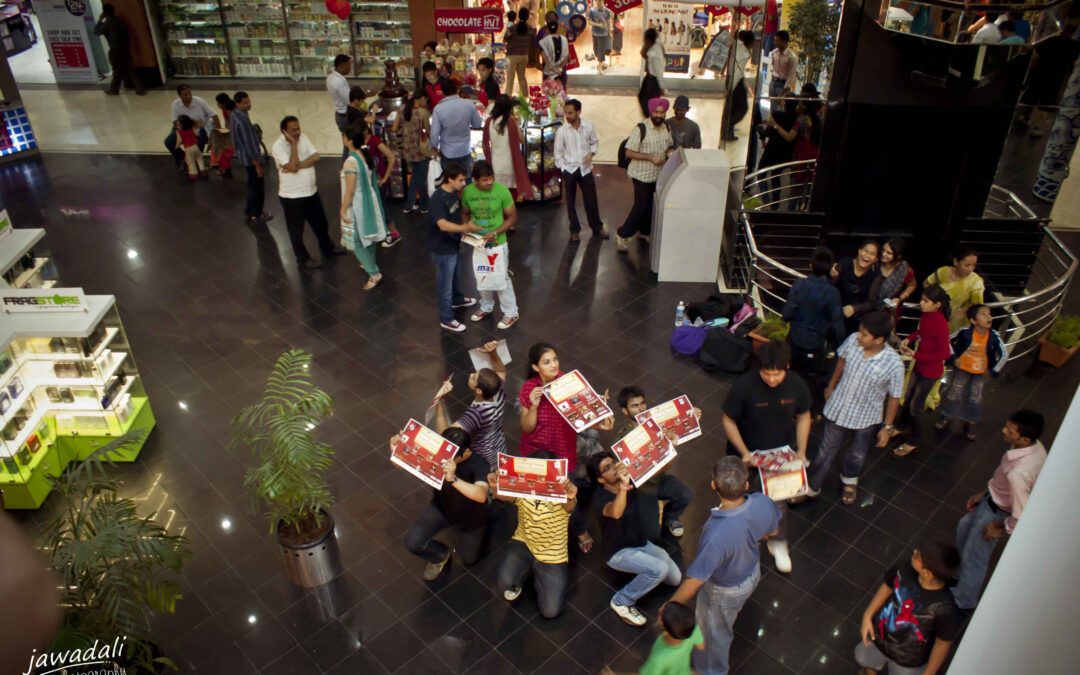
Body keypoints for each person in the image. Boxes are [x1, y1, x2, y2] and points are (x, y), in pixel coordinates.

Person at [666, 457, 780, 675]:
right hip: (752, 571)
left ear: (713, 485)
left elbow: (696, 580)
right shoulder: (762, 501)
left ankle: (711, 670)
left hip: (723, 591)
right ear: (746, 484)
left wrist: (671, 605)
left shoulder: (715, 534)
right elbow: (771, 533)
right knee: (727, 618)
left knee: (713, 636)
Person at [720, 340, 810, 573]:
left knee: (778, 505)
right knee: (736, 501)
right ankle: (733, 545)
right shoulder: (744, 386)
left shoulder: (797, 386)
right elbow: (728, 419)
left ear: (787, 367)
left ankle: (778, 544)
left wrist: (801, 451)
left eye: (777, 374)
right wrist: (744, 453)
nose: (771, 379)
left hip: (778, 456)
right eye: (767, 373)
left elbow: (803, 416)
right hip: (743, 457)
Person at [519, 342, 613, 554]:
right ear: (535, 367)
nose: (553, 365)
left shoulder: (570, 384)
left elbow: (583, 417)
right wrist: (533, 405)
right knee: (537, 491)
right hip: (538, 453)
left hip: (564, 452)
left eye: (555, 359)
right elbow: (527, 426)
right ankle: (536, 527)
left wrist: (600, 420)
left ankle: (579, 529)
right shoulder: (529, 388)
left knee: (568, 494)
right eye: (546, 362)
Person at [806, 310, 905, 505]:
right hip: (840, 406)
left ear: (879, 340)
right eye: (860, 331)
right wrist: (832, 385)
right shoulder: (853, 340)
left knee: (857, 453)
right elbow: (841, 360)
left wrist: (886, 428)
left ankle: (850, 480)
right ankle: (812, 485)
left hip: (866, 417)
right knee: (826, 450)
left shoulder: (894, 364)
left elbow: (894, 398)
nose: (858, 336)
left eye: (864, 334)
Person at [952, 410, 1046, 609]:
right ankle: (960, 577)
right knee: (964, 528)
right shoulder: (1035, 447)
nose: (1004, 431)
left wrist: (1001, 527)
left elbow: (1020, 514)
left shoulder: (1019, 474)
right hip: (990, 500)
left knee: (974, 557)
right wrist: (984, 493)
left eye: (1010, 431)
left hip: (997, 513)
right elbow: (1001, 479)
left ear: (1024, 438)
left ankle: (963, 601)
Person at [587, 450, 682, 627]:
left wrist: (671, 447)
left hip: (640, 543)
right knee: (659, 569)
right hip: (618, 552)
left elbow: (658, 468)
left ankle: (646, 574)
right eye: (607, 468)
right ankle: (622, 600)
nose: (614, 467)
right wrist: (624, 487)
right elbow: (615, 512)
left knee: (675, 578)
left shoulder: (629, 479)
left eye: (613, 462)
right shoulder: (599, 499)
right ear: (600, 480)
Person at [856, 539, 962, 675]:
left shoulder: (945, 608)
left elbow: (942, 644)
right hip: (880, 638)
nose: (914, 552)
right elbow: (888, 585)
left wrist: (929, 673)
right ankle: (870, 670)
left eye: (918, 556)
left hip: (908, 659)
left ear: (927, 573)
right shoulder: (905, 567)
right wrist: (868, 614)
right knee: (867, 658)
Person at [492, 450, 576, 619]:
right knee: (504, 582)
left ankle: (539, 577)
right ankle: (520, 577)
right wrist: (495, 486)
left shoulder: (561, 493)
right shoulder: (523, 488)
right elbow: (503, 496)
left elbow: (570, 506)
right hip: (524, 543)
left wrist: (571, 496)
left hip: (553, 555)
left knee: (550, 612)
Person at [398, 427, 490, 581]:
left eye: (451, 459)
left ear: (466, 453)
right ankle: (440, 555)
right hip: (441, 509)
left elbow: (481, 495)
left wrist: (453, 478)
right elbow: (401, 463)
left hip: (471, 519)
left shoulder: (479, 464)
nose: (443, 461)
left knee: (470, 559)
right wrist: (398, 446)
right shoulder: (438, 454)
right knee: (412, 542)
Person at [614, 386, 695, 541]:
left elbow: (679, 426)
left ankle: (670, 517)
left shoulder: (655, 425)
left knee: (686, 494)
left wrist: (692, 418)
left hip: (659, 480)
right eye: (634, 406)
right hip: (642, 490)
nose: (641, 409)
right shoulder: (622, 440)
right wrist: (671, 449)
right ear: (625, 411)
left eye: (642, 403)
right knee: (651, 536)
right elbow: (652, 470)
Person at [271, 116, 343, 270]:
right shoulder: (278, 147)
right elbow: (292, 166)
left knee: (321, 224)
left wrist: (298, 165)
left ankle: (328, 249)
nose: (298, 132)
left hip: (311, 192)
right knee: (296, 230)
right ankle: (302, 258)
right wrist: (293, 146)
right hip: (292, 197)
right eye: (293, 130)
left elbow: (315, 157)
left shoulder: (303, 137)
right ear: (284, 132)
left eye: (298, 128)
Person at [783, 247, 845, 418]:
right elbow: (836, 321)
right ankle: (804, 411)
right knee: (811, 378)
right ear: (831, 267)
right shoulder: (832, 293)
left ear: (810, 265)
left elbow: (787, 313)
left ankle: (789, 406)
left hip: (795, 338)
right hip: (815, 343)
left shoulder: (799, 285)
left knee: (794, 372)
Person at [460, 161, 520, 329]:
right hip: (478, 243)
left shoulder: (502, 191)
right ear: (475, 180)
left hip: (498, 242)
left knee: (501, 277)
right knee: (482, 275)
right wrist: (466, 228)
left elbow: (512, 218)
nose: (489, 183)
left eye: (491, 179)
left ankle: (511, 312)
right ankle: (486, 306)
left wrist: (495, 233)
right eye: (485, 180)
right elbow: (465, 213)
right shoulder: (467, 192)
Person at [893, 286, 951, 457]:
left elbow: (944, 354)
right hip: (920, 365)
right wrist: (909, 339)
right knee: (908, 397)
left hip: (930, 372)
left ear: (937, 304)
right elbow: (922, 332)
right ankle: (901, 426)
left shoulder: (941, 324)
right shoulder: (927, 315)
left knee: (915, 408)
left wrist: (915, 354)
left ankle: (914, 440)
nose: (921, 303)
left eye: (926, 301)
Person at [937, 305, 1006, 441]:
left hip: (981, 371)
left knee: (976, 394)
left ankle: (970, 421)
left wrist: (993, 370)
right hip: (963, 367)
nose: (988, 317)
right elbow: (947, 339)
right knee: (955, 390)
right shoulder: (965, 332)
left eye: (989, 314)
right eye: (983, 314)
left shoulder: (994, 336)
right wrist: (954, 357)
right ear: (973, 320)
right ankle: (948, 414)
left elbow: (1004, 353)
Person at [428, 163, 483, 331]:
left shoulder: (452, 193)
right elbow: (443, 225)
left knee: (454, 275)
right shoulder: (438, 198)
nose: (463, 183)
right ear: (450, 179)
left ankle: (457, 299)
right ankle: (446, 318)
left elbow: (454, 216)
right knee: (444, 284)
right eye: (460, 180)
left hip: (452, 244)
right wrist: (466, 228)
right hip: (442, 248)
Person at [617, 97, 674, 251]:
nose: (659, 115)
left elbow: (669, 144)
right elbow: (628, 152)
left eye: (662, 112)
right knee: (641, 206)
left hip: (658, 175)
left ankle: (644, 232)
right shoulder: (641, 129)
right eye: (656, 112)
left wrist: (669, 152)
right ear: (651, 111)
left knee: (650, 205)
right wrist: (649, 157)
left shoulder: (666, 127)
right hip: (641, 175)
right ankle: (623, 233)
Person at [340, 121, 389, 289]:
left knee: (356, 241)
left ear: (350, 140)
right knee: (369, 236)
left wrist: (343, 208)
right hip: (370, 201)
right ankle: (370, 263)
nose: (343, 139)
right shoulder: (364, 154)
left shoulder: (350, 162)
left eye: (345, 137)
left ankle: (373, 272)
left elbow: (350, 190)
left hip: (358, 205)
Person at [555, 99, 608, 242]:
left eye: (570, 113)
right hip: (570, 169)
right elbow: (557, 154)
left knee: (591, 200)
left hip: (585, 169)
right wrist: (564, 168)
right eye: (566, 112)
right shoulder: (562, 132)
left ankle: (597, 227)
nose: (567, 115)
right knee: (570, 201)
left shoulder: (589, 126)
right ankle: (574, 230)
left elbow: (594, 143)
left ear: (579, 112)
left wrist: (591, 154)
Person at [357, 116, 404, 248]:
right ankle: (382, 231)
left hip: (378, 182)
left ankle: (394, 233)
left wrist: (384, 178)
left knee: (382, 207)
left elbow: (391, 156)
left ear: (365, 130)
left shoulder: (374, 140)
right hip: (368, 182)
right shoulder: (359, 142)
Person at [430, 80, 484, 182]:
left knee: (450, 182)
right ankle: (466, 198)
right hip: (465, 149)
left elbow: (434, 133)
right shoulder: (469, 104)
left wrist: (434, 148)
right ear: (457, 90)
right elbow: (477, 124)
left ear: (442, 92)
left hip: (447, 152)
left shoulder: (438, 109)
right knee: (466, 180)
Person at [482, 95, 534, 201]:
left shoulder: (489, 122)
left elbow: (485, 143)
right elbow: (522, 140)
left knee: (497, 195)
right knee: (509, 196)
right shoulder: (511, 122)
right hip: (509, 163)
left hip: (495, 163)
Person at [230, 92, 271, 224]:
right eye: (245, 102)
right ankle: (256, 212)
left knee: (253, 184)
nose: (249, 104)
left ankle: (250, 209)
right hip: (250, 159)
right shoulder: (241, 121)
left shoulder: (236, 116)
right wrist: (257, 165)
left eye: (248, 101)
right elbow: (249, 144)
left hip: (244, 157)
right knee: (257, 186)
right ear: (238, 103)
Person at [924, 246, 985, 332]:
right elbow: (927, 284)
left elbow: (977, 307)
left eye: (974, 265)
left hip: (956, 328)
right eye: (967, 265)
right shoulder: (943, 271)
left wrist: (965, 310)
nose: (971, 269)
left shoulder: (975, 282)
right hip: (934, 319)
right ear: (956, 261)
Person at [638, 601, 705, 675]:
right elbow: (701, 646)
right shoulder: (694, 630)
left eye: (661, 613)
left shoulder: (659, 659)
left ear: (663, 625)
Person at [393, 91, 432, 215]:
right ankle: (410, 204)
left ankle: (423, 204)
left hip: (407, 148)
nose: (425, 103)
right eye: (425, 100)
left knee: (418, 175)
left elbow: (394, 128)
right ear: (421, 98)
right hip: (420, 149)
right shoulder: (423, 113)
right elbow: (428, 131)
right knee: (418, 178)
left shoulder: (402, 109)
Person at [757, 96, 800, 208]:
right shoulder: (797, 119)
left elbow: (766, 132)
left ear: (785, 104)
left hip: (771, 151)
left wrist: (759, 129)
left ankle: (767, 203)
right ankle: (775, 206)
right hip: (784, 154)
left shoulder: (776, 115)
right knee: (776, 178)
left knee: (761, 175)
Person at [832, 239, 882, 335]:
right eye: (865, 251)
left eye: (872, 254)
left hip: (857, 318)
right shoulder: (845, 263)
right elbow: (830, 286)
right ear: (859, 251)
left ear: (876, 259)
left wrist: (854, 308)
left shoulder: (875, 274)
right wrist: (833, 275)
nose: (867, 256)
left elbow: (871, 303)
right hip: (836, 313)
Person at [95, 4, 143, 96]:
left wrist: (100, 21)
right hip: (124, 47)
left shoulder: (108, 23)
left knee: (117, 69)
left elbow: (97, 31)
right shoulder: (119, 21)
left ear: (104, 12)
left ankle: (114, 89)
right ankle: (139, 88)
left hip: (115, 48)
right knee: (131, 68)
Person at [166, 85, 217, 173]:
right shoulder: (175, 104)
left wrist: (218, 130)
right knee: (169, 142)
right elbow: (174, 120)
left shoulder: (199, 101)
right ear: (180, 95)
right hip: (182, 129)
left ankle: (194, 161)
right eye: (185, 95)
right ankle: (182, 158)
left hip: (200, 129)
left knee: (199, 144)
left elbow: (214, 115)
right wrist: (186, 125)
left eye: (189, 94)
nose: (188, 96)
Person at [875, 238, 916, 327]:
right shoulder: (874, 263)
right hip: (868, 308)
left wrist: (900, 298)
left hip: (889, 312)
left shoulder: (904, 270)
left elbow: (912, 285)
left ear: (898, 256)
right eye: (883, 250)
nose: (883, 254)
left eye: (888, 253)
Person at [722, 30, 754, 141]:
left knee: (732, 108)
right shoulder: (743, 53)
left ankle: (728, 128)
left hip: (733, 81)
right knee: (742, 108)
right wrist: (731, 88)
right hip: (736, 83)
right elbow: (737, 72)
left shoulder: (735, 46)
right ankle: (728, 128)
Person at [505, 8, 536, 97]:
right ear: (527, 17)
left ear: (518, 16)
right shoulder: (530, 29)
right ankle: (525, 96)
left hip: (512, 55)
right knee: (522, 77)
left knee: (510, 78)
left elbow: (505, 39)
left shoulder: (512, 28)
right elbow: (532, 42)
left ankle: (508, 96)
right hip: (524, 55)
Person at [327, 54, 352, 154]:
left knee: (347, 141)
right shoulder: (338, 82)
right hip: (344, 116)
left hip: (339, 114)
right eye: (348, 65)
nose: (350, 69)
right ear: (342, 65)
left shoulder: (331, 77)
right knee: (349, 144)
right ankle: (346, 164)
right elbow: (350, 100)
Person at [638, 29, 666, 117]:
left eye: (645, 40)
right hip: (649, 78)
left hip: (654, 81)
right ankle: (649, 118)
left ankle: (651, 120)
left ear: (649, 40)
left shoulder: (654, 55)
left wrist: (661, 86)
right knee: (641, 97)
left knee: (649, 104)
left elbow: (659, 72)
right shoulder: (656, 43)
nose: (644, 42)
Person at [539, 19, 571, 89]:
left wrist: (552, 68)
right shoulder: (564, 39)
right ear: (557, 28)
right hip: (560, 71)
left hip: (548, 71)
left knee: (549, 92)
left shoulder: (544, 41)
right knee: (560, 91)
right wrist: (559, 68)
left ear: (548, 29)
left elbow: (544, 57)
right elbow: (566, 55)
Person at [209, 93, 235, 177]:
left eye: (218, 103)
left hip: (233, 133)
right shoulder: (225, 109)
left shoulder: (229, 110)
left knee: (222, 147)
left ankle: (224, 168)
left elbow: (231, 122)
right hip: (229, 131)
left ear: (222, 103)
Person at [174, 116, 206, 180]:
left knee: (190, 161)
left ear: (181, 124)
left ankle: (193, 173)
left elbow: (179, 141)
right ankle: (202, 169)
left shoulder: (179, 132)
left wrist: (176, 146)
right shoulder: (191, 128)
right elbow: (197, 134)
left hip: (188, 148)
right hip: (195, 146)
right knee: (199, 158)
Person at [768, 30, 797, 98]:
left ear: (784, 41)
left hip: (782, 85)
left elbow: (791, 77)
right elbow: (773, 66)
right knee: (773, 106)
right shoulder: (774, 53)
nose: (775, 43)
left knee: (781, 107)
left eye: (777, 41)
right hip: (773, 82)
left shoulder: (792, 57)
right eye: (775, 40)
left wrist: (783, 93)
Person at [587, 0, 614, 73]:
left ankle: (600, 68)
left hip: (603, 34)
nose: (599, 3)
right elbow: (589, 22)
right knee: (596, 50)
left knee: (601, 50)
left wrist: (609, 33)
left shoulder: (606, 11)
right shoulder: (592, 11)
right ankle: (600, 63)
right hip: (595, 33)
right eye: (598, 1)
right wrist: (598, 25)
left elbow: (608, 22)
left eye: (601, 1)